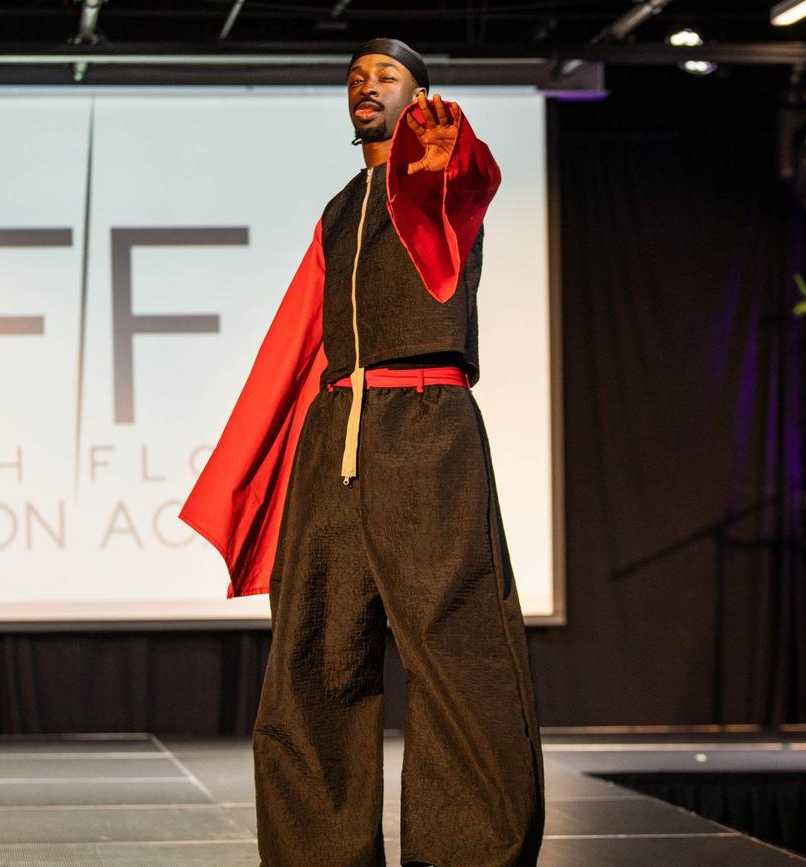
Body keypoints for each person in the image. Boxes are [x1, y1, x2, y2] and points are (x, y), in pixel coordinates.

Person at [179, 37, 544, 867]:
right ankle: (318, 854)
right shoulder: (342, 206)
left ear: (419, 94)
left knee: (458, 652)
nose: (365, 87)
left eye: (385, 76)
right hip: (335, 435)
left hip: (426, 432)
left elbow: (462, 175)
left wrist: (443, 142)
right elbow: (300, 341)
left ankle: (468, 853)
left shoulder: (438, 172)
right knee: (314, 654)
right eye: (355, 78)